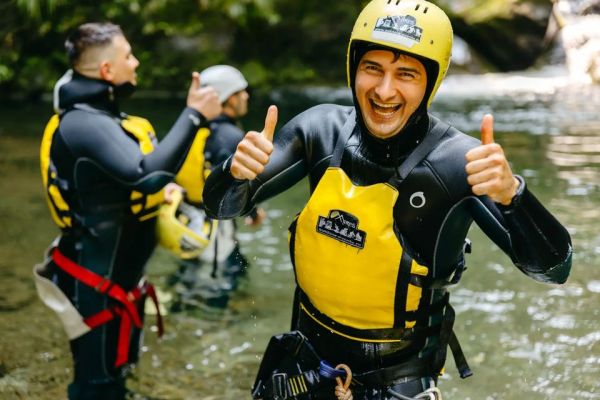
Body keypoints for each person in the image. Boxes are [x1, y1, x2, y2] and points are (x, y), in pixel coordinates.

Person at [202, 0, 573, 399]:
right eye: (372, 68)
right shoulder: (319, 130)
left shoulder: (459, 165)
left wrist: (514, 195)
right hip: (303, 371)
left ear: (431, 83)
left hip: (398, 387)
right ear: (353, 68)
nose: (384, 90)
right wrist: (233, 172)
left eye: (406, 75)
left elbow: (554, 269)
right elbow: (223, 207)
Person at [34, 22, 221, 400]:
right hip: (95, 288)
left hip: (116, 284)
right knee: (97, 386)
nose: (135, 63)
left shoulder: (104, 119)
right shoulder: (83, 123)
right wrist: (194, 115)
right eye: (128, 56)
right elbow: (144, 175)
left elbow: (118, 181)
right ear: (107, 71)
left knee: (118, 379)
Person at [169, 65, 265, 310]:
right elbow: (237, 182)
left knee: (195, 269)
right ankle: (214, 324)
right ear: (228, 99)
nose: (246, 97)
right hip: (214, 226)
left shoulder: (189, 128)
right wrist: (252, 212)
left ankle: (181, 304)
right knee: (218, 279)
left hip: (186, 221)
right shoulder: (229, 135)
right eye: (241, 92)